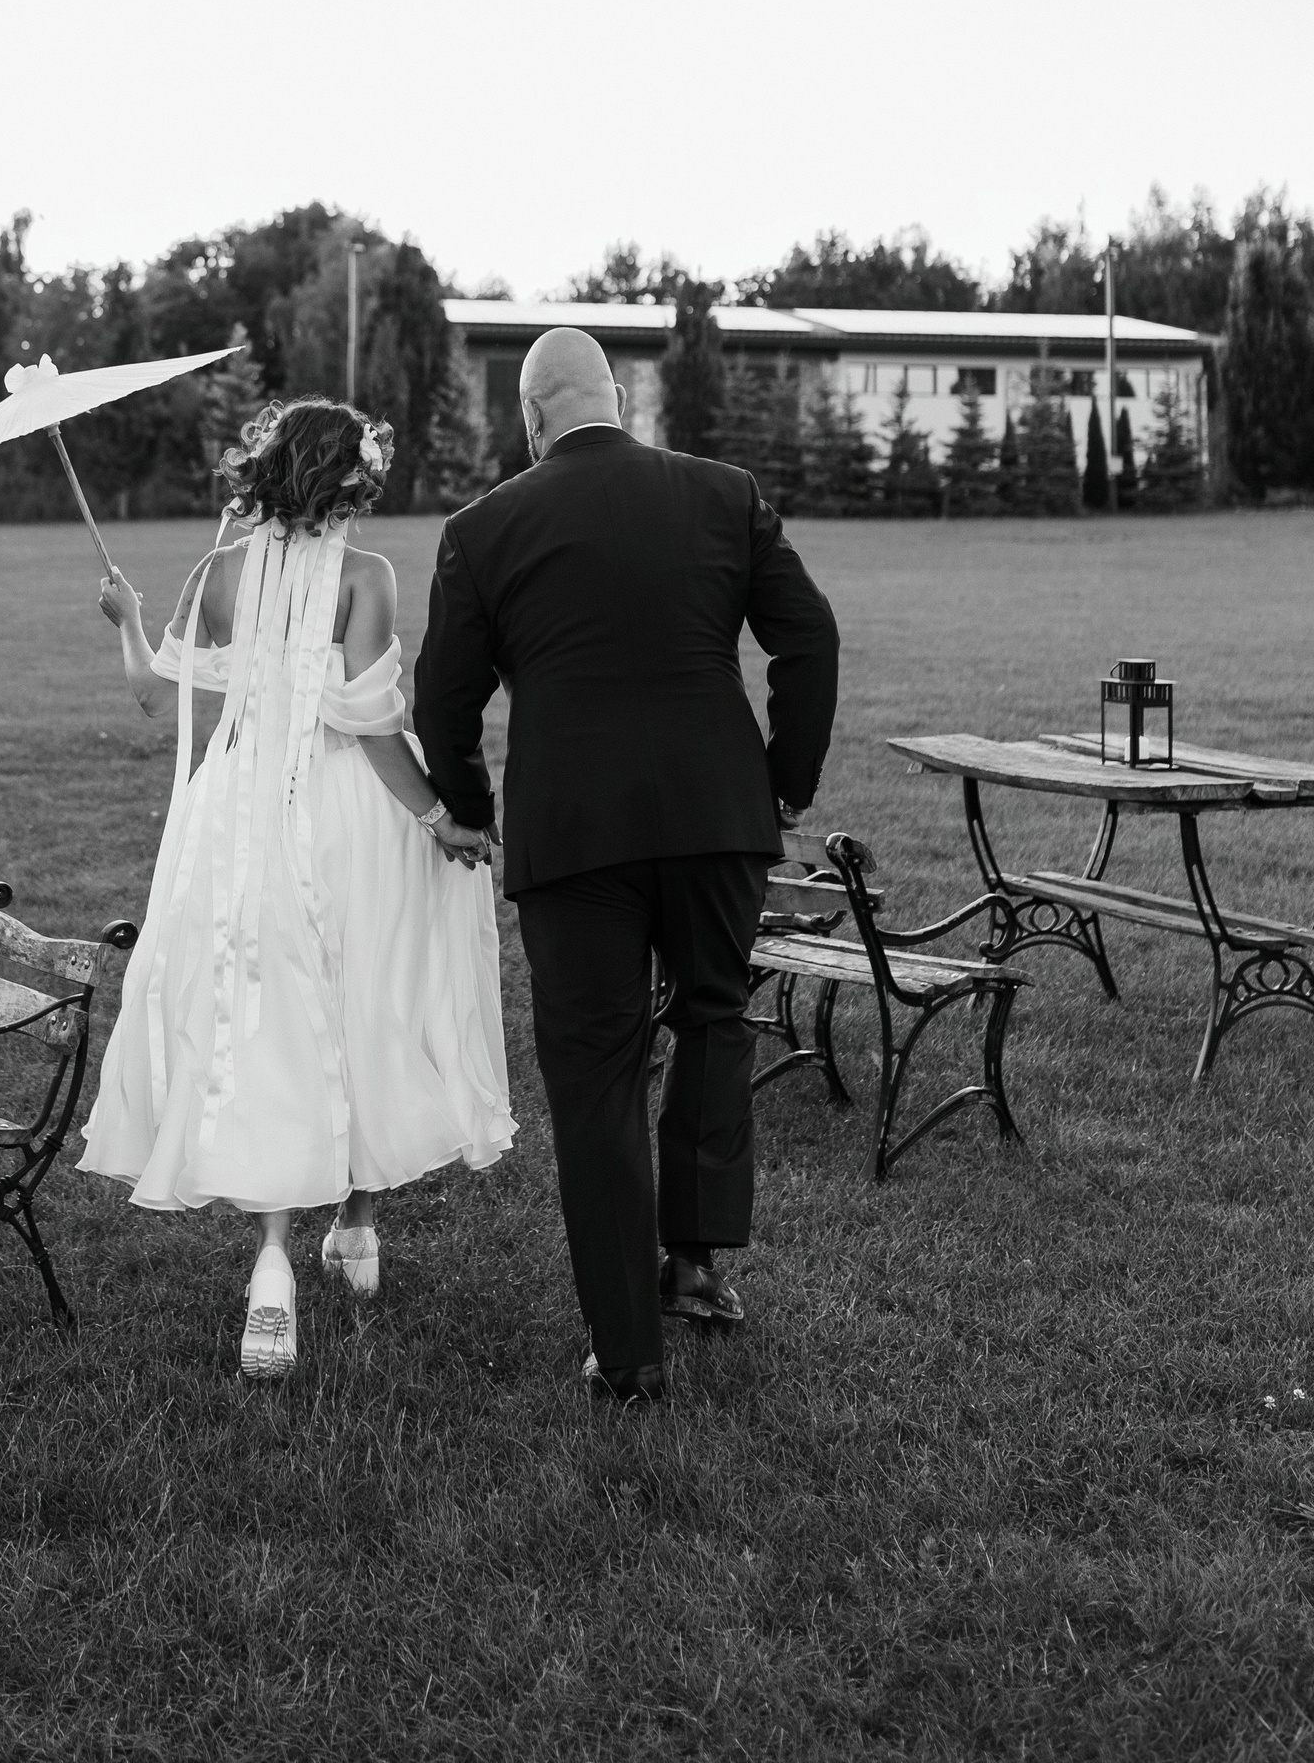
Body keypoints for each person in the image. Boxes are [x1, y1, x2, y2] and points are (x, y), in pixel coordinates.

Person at [412, 326, 839, 1407]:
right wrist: (785, 783)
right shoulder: (723, 493)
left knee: (596, 1072)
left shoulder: (482, 527)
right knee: (713, 1019)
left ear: (531, 417)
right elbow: (810, 638)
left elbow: (444, 698)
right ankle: (694, 1264)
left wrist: (468, 808)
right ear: (617, 398)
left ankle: (626, 1348)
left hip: (574, 834)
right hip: (716, 817)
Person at [80, 396, 515, 1380]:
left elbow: (154, 693)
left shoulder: (216, 574)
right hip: (348, 814)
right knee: (366, 997)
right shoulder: (366, 576)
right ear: (351, 481)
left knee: (265, 1013)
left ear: (265, 470)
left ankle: (272, 1261)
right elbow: (369, 723)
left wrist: (129, 619)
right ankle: (355, 1225)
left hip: (240, 816)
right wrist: (438, 820)